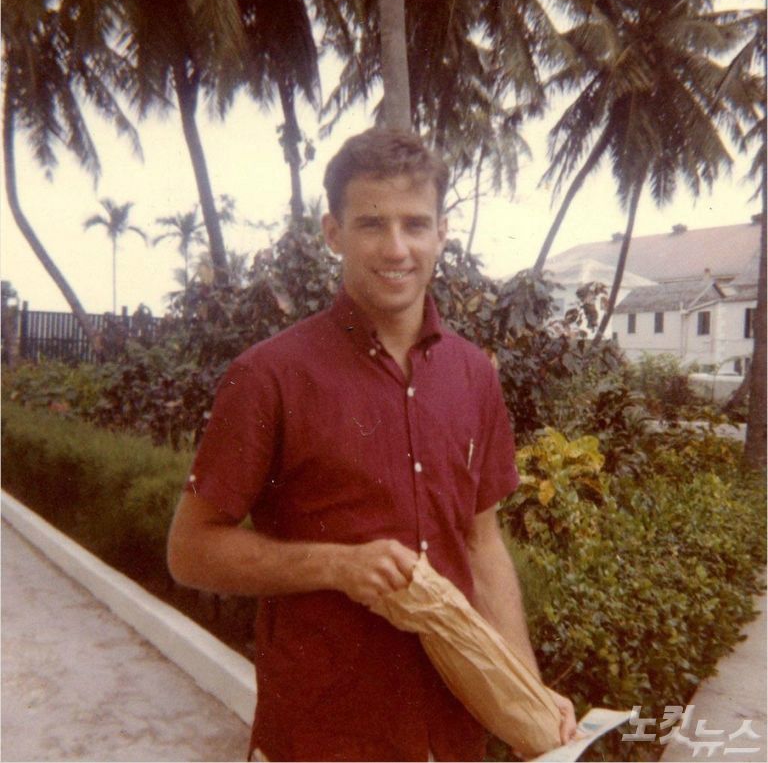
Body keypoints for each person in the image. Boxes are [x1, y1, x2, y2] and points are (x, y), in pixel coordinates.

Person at [167, 128, 577, 762]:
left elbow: (481, 543)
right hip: (323, 737)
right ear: (333, 232)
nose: (396, 248)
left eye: (415, 224)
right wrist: (338, 566)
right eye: (371, 224)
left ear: (442, 232)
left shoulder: (473, 374)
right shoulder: (269, 375)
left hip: (452, 735)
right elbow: (190, 551)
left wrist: (525, 691)